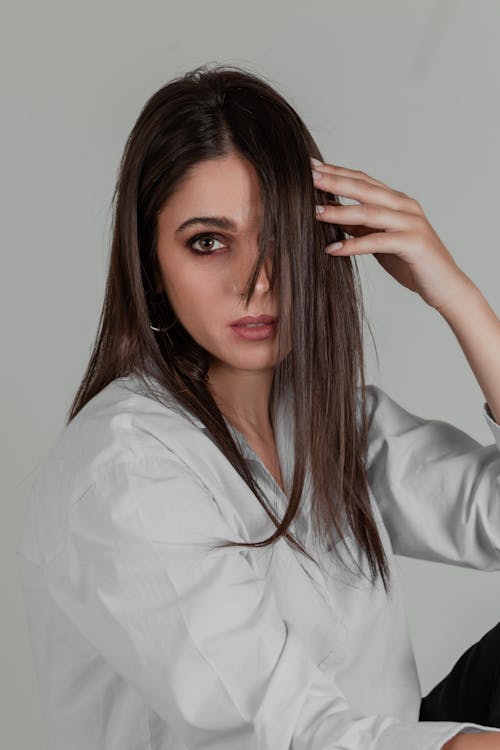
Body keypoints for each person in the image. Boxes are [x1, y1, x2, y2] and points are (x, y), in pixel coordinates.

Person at [16, 63, 500, 750]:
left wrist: (454, 294)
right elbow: (294, 735)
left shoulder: (326, 418)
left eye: (281, 235)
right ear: (152, 262)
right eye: (208, 242)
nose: (258, 281)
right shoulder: (126, 470)